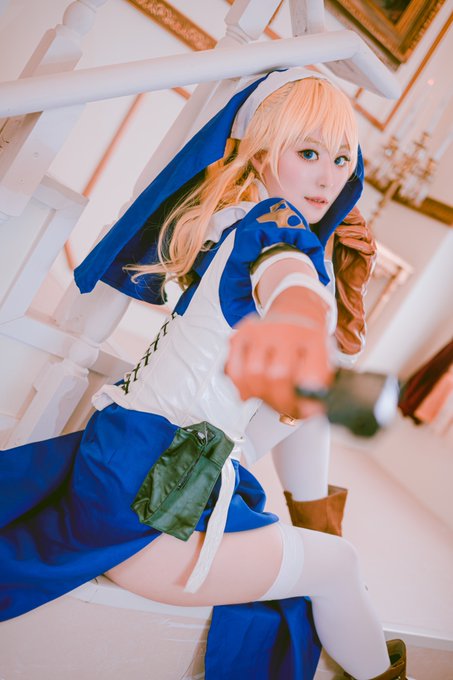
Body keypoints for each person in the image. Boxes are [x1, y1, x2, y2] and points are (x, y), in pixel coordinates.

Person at [0, 68, 407, 680]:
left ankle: (311, 524)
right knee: (339, 565)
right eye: (308, 153)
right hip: (153, 513)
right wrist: (300, 318)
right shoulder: (274, 229)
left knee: (304, 418)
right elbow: (289, 277)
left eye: (342, 159)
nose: (329, 178)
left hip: (133, 467)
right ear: (264, 154)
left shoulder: (232, 222)